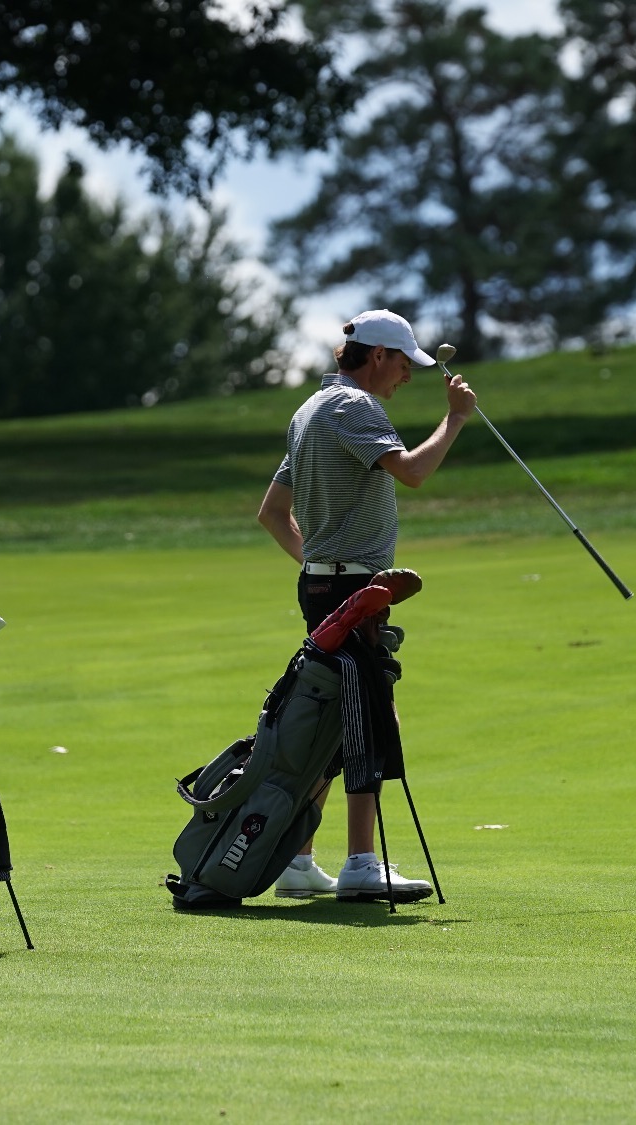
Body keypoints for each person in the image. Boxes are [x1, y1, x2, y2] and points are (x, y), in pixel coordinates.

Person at [255, 309, 476, 902]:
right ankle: (360, 863)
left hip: (323, 586)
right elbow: (414, 472)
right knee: (368, 719)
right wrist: (455, 419)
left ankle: (298, 862)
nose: (406, 375)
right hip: (354, 590)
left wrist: (316, 564)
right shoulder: (355, 408)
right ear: (378, 355)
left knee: (330, 716)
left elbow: (272, 514)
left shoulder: (309, 411)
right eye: (404, 364)